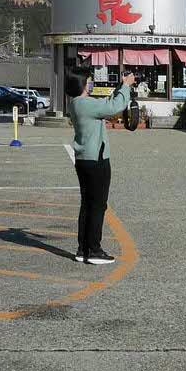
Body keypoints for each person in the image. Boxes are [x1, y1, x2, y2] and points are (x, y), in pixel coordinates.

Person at [66, 69, 135, 265]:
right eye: (89, 81)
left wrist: (120, 87)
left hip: (84, 159)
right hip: (96, 159)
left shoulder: (76, 103)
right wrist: (126, 86)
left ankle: (83, 249)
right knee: (98, 205)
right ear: (81, 84)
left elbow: (105, 104)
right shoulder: (85, 104)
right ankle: (94, 250)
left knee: (87, 204)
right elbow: (114, 107)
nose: (92, 84)